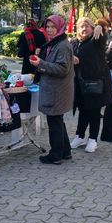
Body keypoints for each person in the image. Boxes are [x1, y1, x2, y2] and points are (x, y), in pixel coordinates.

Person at [30, 15, 75, 165]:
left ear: (60, 27)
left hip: (57, 90)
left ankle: (55, 155)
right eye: (47, 27)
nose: (49, 30)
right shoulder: (54, 43)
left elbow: (62, 68)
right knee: (58, 121)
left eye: (52, 27)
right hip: (55, 88)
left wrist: (40, 63)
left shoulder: (62, 45)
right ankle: (65, 151)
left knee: (54, 121)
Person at [70, 18, 112, 153]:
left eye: (87, 26)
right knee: (83, 110)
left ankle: (93, 139)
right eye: (81, 27)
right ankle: (80, 135)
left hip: (94, 83)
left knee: (94, 112)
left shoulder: (95, 40)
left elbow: (102, 37)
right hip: (79, 83)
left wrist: (99, 27)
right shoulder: (74, 42)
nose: (84, 29)